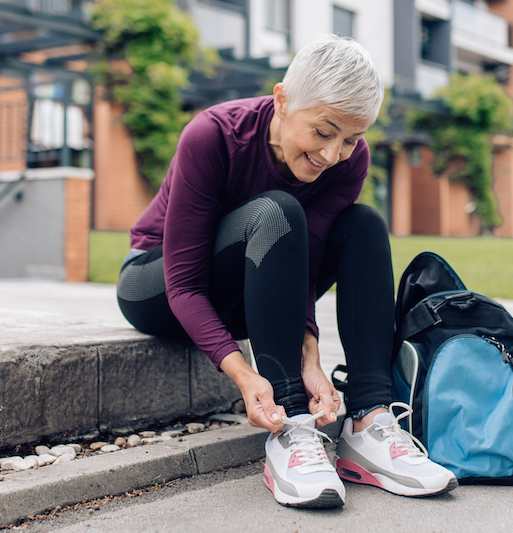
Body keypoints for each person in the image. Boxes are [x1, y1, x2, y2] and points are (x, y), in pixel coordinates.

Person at [117, 35, 457, 508]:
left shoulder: (347, 161)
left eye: (351, 139)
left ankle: (368, 421)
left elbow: (308, 266)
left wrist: (310, 349)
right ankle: (293, 427)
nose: (333, 154)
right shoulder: (214, 135)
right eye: (323, 132)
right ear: (281, 100)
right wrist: (244, 375)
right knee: (276, 211)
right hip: (157, 285)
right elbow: (185, 284)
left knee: (363, 225)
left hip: (252, 290)